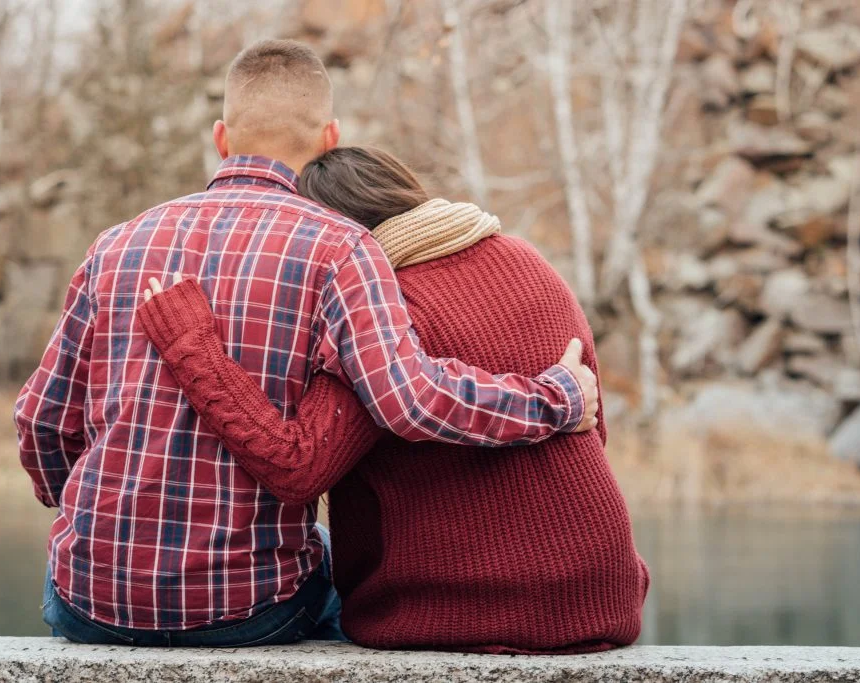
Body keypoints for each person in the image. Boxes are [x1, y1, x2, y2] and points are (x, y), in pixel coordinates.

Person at [15, 40, 597, 647]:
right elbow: (411, 399)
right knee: (336, 567)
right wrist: (553, 399)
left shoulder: (115, 246)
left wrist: (94, 521)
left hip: (87, 600)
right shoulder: (343, 248)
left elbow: (40, 421)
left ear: (221, 138)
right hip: (248, 611)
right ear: (330, 138)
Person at [137, 146, 649, 654]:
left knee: (285, 577)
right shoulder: (528, 260)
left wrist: (194, 351)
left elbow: (298, 466)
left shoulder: (380, 312)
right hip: (604, 597)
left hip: (456, 608)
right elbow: (592, 428)